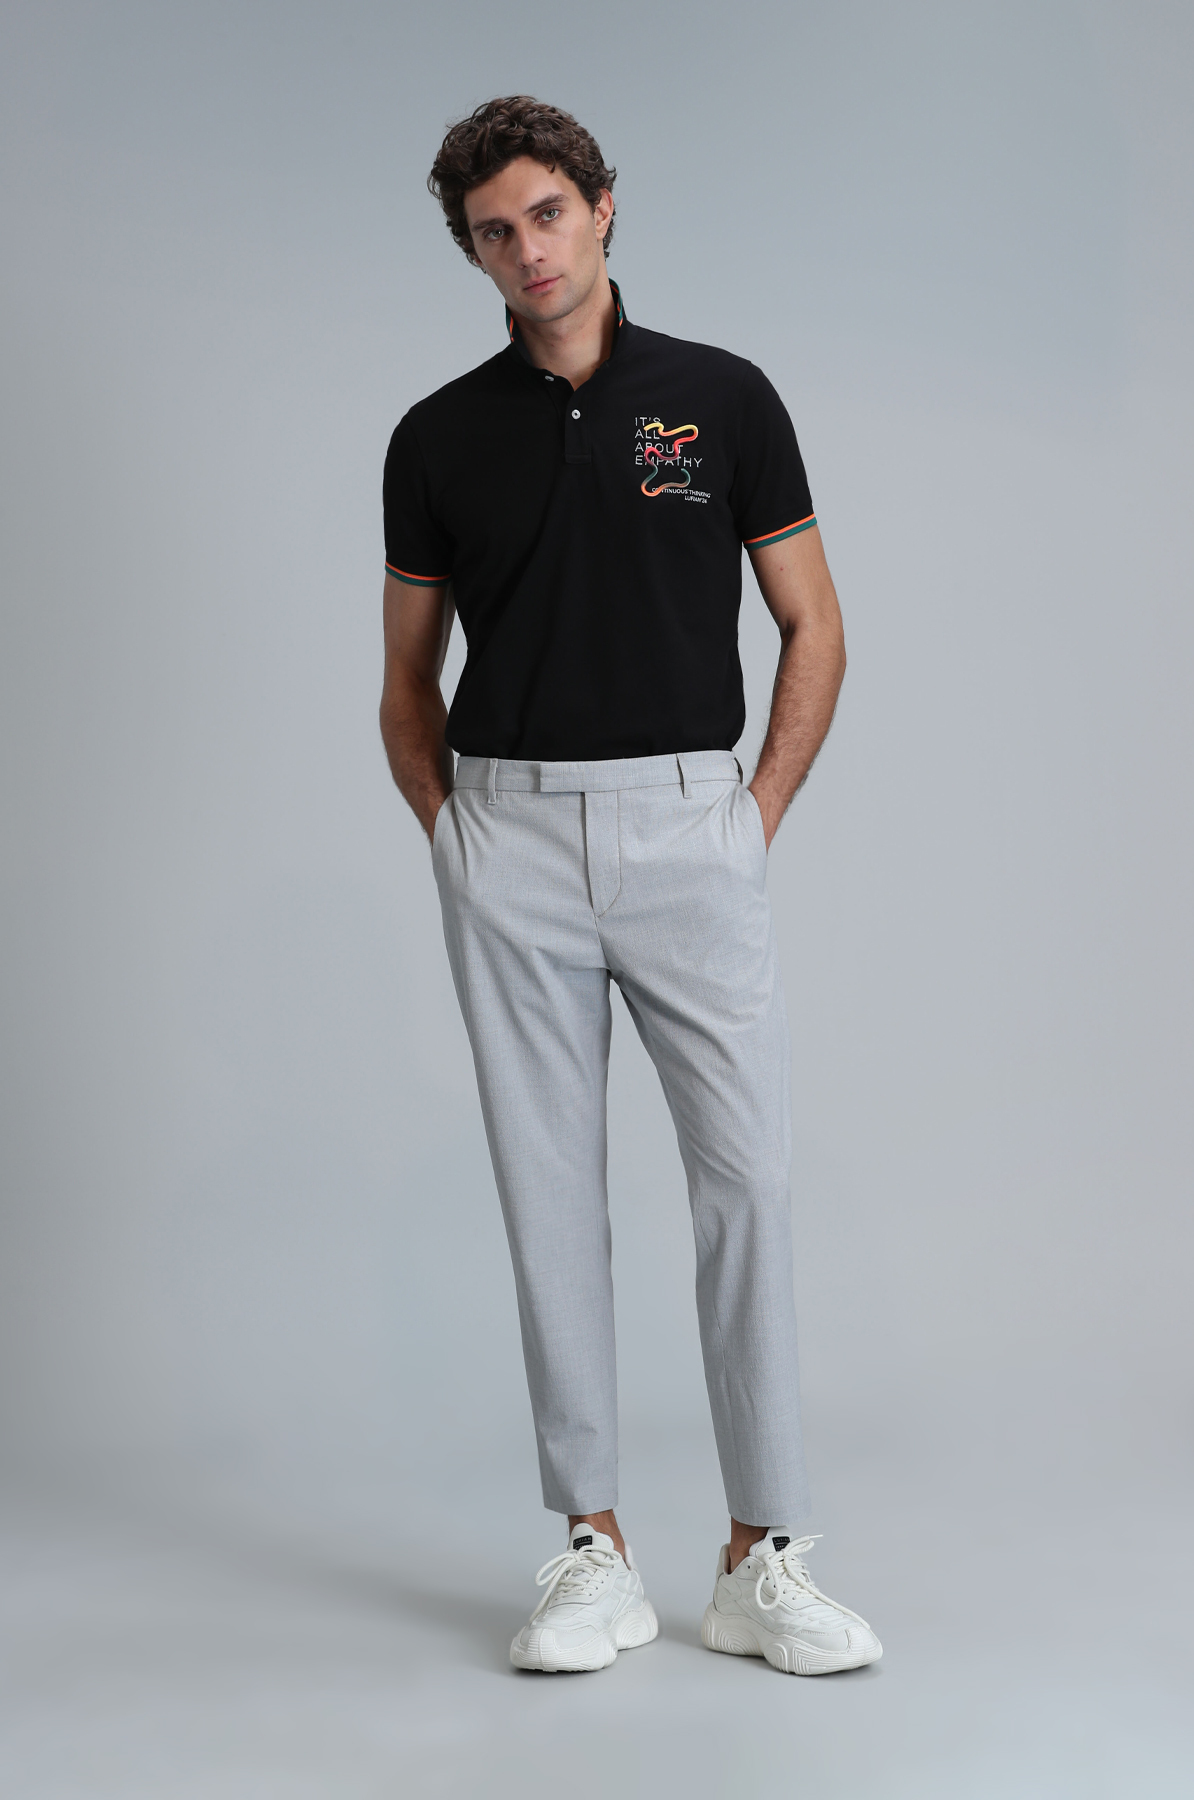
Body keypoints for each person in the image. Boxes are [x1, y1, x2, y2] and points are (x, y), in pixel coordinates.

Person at [379, 95, 881, 1677]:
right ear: (473, 252)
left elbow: (815, 625)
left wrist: (753, 813)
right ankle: (592, 1545)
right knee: (550, 1195)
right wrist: (456, 835)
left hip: (687, 828)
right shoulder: (437, 436)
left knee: (748, 1182)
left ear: (603, 207)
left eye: (547, 213)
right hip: (510, 837)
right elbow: (406, 680)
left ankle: (761, 1553)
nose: (526, 250)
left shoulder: (721, 399)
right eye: (493, 232)